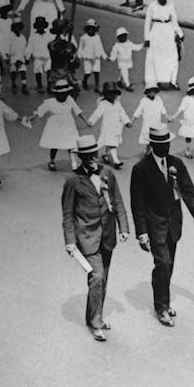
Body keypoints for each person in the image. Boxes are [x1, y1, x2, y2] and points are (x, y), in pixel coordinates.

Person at [130, 126, 194, 326]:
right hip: (154, 226)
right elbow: (137, 203)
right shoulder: (141, 169)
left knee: (169, 265)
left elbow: (188, 191)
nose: (165, 147)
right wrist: (141, 233)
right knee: (163, 264)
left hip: (174, 225)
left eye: (167, 143)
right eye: (161, 144)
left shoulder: (176, 164)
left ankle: (164, 299)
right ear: (152, 145)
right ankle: (161, 306)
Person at [61, 134, 130, 342]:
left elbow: (117, 200)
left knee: (103, 279)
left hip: (107, 235)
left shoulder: (107, 173)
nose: (92, 157)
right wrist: (70, 241)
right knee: (97, 276)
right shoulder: (73, 180)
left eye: (94, 153)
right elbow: (67, 214)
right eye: (87, 155)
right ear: (81, 157)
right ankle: (95, 322)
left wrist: (123, 227)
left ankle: (95, 316)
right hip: (87, 237)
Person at [31, 78, 91, 171]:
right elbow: (40, 111)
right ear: (56, 93)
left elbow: (77, 110)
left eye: (66, 93)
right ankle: (52, 161)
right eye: (61, 93)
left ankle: (74, 164)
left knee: (71, 145)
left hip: (68, 126)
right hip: (55, 127)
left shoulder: (69, 100)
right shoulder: (49, 102)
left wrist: (86, 120)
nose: (64, 95)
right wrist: (31, 118)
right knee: (55, 145)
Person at [143, 0, 183, 90]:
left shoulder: (171, 5)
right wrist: (147, 38)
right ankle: (152, 81)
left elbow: (174, 21)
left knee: (172, 56)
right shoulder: (152, 6)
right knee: (154, 56)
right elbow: (147, 23)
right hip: (156, 31)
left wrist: (179, 33)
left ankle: (172, 80)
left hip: (168, 31)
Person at [88, 82, 132, 169]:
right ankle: (112, 161)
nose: (112, 95)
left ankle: (107, 157)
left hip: (116, 127)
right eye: (109, 93)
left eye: (113, 93)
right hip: (107, 128)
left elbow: (122, 113)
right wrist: (91, 121)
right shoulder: (103, 104)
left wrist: (127, 122)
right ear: (105, 94)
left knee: (111, 144)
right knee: (103, 144)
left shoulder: (117, 103)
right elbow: (97, 113)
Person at [132, 84, 168, 150]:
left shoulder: (158, 99)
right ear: (147, 92)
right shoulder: (144, 100)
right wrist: (132, 121)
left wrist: (167, 117)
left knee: (156, 140)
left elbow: (162, 108)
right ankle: (148, 153)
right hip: (148, 124)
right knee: (148, 140)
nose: (152, 93)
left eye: (153, 91)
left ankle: (154, 154)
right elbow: (138, 111)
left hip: (156, 123)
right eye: (150, 91)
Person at [107, 26, 143, 92]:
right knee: (125, 73)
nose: (123, 38)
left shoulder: (129, 43)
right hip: (122, 62)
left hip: (128, 61)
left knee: (122, 73)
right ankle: (127, 85)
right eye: (121, 36)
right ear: (118, 38)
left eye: (125, 36)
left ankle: (119, 81)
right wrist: (111, 58)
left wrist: (143, 45)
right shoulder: (116, 46)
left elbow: (136, 47)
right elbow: (113, 54)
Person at [77, 18, 105, 93]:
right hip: (87, 58)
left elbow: (100, 47)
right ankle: (84, 81)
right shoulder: (83, 38)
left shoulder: (97, 37)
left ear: (95, 29)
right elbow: (80, 48)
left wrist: (104, 56)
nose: (91, 31)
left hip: (96, 58)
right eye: (89, 29)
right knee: (88, 72)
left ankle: (97, 86)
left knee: (97, 72)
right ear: (86, 29)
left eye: (93, 29)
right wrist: (78, 56)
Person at [25, 15, 51, 93]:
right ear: (36, 27)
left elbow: (51, 45)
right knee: (38, 71)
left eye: (42, 26)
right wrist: (27, 57)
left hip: (47, 57)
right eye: (39, 26)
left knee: (49, 71)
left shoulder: (48, 36)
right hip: (38, 57)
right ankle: (39, 85)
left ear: (44, 26)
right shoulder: (33, 36)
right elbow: (29, 47)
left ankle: (50, 86)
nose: (41, 27)